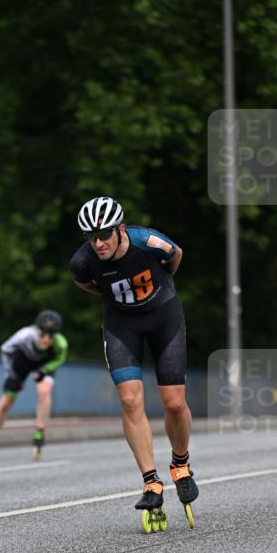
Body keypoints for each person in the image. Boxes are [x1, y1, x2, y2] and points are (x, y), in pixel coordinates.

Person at [70, 196, 198, 530]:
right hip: (121, 324)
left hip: (164, 316)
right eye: (90, 236)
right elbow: (87, 285)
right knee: (129, 399)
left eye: (104, 234)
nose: (98, 243)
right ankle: (151, 481)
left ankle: (180, 464)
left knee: (173, 402)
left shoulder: (149, 242)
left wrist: (161, 286)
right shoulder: (83, 262)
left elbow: (176, 257)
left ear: (120, 229)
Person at [0, 310, 68, 461]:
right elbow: (4, 351)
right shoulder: (24, 335)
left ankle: (39, 432)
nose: (46, 340)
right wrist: (10, 376)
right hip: (23, 361)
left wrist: (45, 370)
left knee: (43, 390)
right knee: (6, 401)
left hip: (45, 364)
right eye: (43, 334)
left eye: (51, 335)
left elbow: (60, 359)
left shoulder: (61, 344)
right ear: (37, 330)